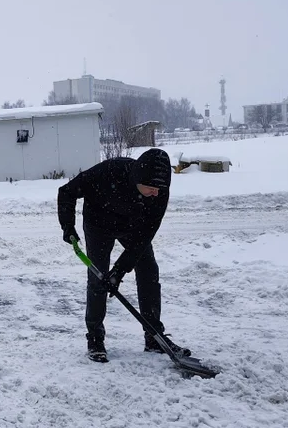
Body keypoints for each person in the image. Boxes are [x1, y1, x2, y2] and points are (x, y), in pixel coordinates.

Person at [57, 148, 189, 363]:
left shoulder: (159, 190)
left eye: (161, 189)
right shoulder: (107, 172)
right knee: (98, 280)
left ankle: (154, 336)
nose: (157, 193)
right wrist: (68, 226)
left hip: (134, 229)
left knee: (148, 271)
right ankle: (95, 339)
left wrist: (119, 271)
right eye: (152, 188)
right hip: (98, 225)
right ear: (139, 179)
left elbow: (146, 234)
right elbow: (66, 191)